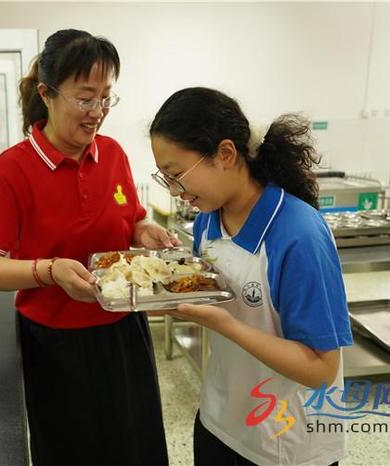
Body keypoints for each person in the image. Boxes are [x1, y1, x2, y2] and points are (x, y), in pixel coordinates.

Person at [0, 29, 174, 466]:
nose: (97, 112)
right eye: (85, 99)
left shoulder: (113, 154)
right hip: (54, 345)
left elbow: (130, 216)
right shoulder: (11, 171)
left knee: (136, 448)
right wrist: (50, 271)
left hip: (123, 333)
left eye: (106, 98)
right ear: (47, 93)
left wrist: (144, 228)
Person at [149, 87, 353, 466]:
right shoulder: (209, 219)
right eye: (165, 179)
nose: (176, 192)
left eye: (177, 175)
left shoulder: (298, 234)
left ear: (225, 154)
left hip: (284, 443)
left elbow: (322, 370)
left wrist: (225, 324)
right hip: (219, 421)